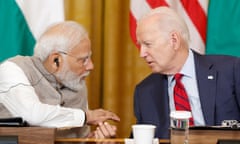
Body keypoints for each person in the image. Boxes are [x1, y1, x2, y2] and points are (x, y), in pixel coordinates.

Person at [133, 6, 240, 139]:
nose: (142, 54)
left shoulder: (230, 70)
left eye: (148, 44)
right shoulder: (145, 92)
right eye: (140, 45)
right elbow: (141, 138)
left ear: (174, 40)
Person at [0, 21, 120, 139]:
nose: (91, 66)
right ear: (55, 60)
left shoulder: (76, 82)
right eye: (83, 60)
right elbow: (31, 114)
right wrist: (86, 117)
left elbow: (80, 137)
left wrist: (96, 139)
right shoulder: (13, 69)